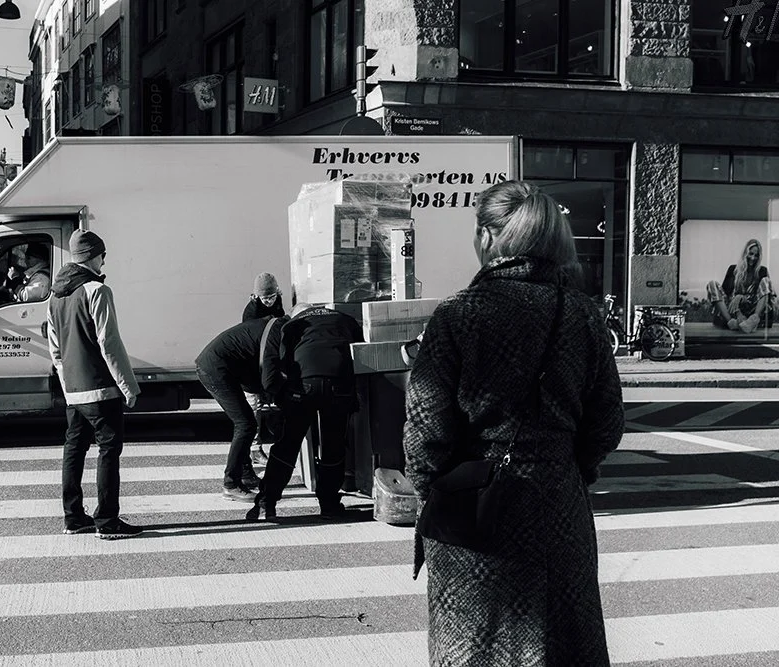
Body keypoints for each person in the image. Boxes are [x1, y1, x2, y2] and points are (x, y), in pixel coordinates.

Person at [403, 180, 623, 666]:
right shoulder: (583, 316)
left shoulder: (458, 314)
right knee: (563, 643)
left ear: (487, 238)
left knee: (476, 645)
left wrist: (434, 492)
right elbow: (607, 421)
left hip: (475, 506)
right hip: (558, 504)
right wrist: (569, 468)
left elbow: (424, 433)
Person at [47, 229, 142, 539]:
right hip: (101, 388)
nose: (104, 261)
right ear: (93, 256)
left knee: (74, 449)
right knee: (109, 450)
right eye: (103, 254)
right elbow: (109, 344)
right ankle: (107, 520)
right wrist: (128, 386)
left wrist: (67, 384)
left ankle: (73, 517)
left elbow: (55, 349)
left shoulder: (56, 295)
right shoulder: (96, 291)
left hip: (74, 389)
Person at [246, 301, 363, 522]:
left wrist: (283, 397)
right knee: (333, 444)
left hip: (303, 384)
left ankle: (266, 504)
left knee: (288, 444)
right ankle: (329, 505)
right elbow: (360, 351)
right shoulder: (344, 318)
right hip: (339, 383)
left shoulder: (293, 324)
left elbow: (284, 363)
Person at [196, 314, 288, 501]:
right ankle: (231, 484)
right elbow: (268, 374)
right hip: (215, 369)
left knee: (246, 423)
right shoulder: (278, 332)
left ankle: (245, 475)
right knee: (245, 424)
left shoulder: (274, 325)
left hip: (221, 365)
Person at [242, 272, 286, 465]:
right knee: (254, 407)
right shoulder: (251, 313)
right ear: (255, 296)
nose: (269, 301)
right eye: (265, 298)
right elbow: (253, 343)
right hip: (251, 362)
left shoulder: (278, 304)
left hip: (269, 359)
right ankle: (253, 448)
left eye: (272, 297)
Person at [706, 238, 776, 333]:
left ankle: (752, 322)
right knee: (712, 284)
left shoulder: (762, 271)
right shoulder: (733, 269)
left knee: (766, 281)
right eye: (751, 254)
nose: (753, 258)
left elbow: (764, 297)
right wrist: (737, 309)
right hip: (732, 311)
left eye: (756, 255)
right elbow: (724, 296)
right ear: (745, 253)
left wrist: (742, 297)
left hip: (752, 310)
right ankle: (731, 322)